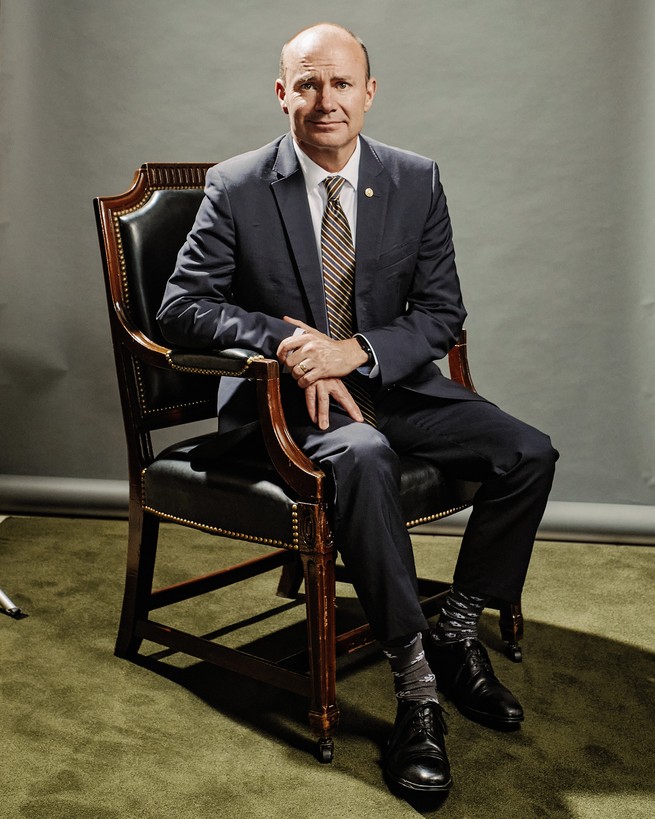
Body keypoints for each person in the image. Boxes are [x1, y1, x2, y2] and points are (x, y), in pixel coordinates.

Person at [157, 22, 558, 796]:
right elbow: (181, 307)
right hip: (288, 408)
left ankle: (455, 624)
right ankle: (415, 689)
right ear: (282, 95)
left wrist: (358, 351)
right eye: (306, 84)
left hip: (393, 387)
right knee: (365, 455)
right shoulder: (237, 186)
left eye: (341, 83)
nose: (324, 100)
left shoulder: (415, 178)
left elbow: (441, 312)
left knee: (528, 450)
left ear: (368, 93)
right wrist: (288, 342)